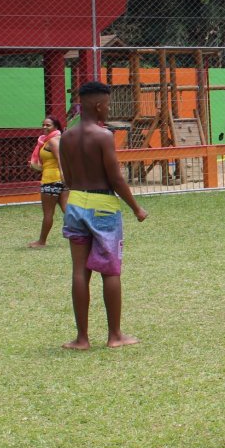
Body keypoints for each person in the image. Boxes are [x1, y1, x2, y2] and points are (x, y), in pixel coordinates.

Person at [58, 81, 148, 350]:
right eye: (107, 105)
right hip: (103, 207)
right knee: (110, 271)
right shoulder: (104, 136)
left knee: (79, 271)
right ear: (98, 106)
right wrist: (136, 208)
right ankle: (115, 335)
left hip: (75, 203)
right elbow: (116, 178)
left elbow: (68, 178)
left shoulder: (66, 137)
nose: (108, 109)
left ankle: (82, 338)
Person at [27, 115, 68, 248]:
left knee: (48, 213)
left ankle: (41, 241)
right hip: (59, 179)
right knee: (68, 211)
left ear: (55, 126)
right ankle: (88, 235)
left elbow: (60, 160)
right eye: (43, 125)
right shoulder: (56, 139)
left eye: (48, 125)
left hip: (51, 181)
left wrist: (63, 175)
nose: (44, 127)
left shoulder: (53, 141)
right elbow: (50, 163)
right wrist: (36, 166)